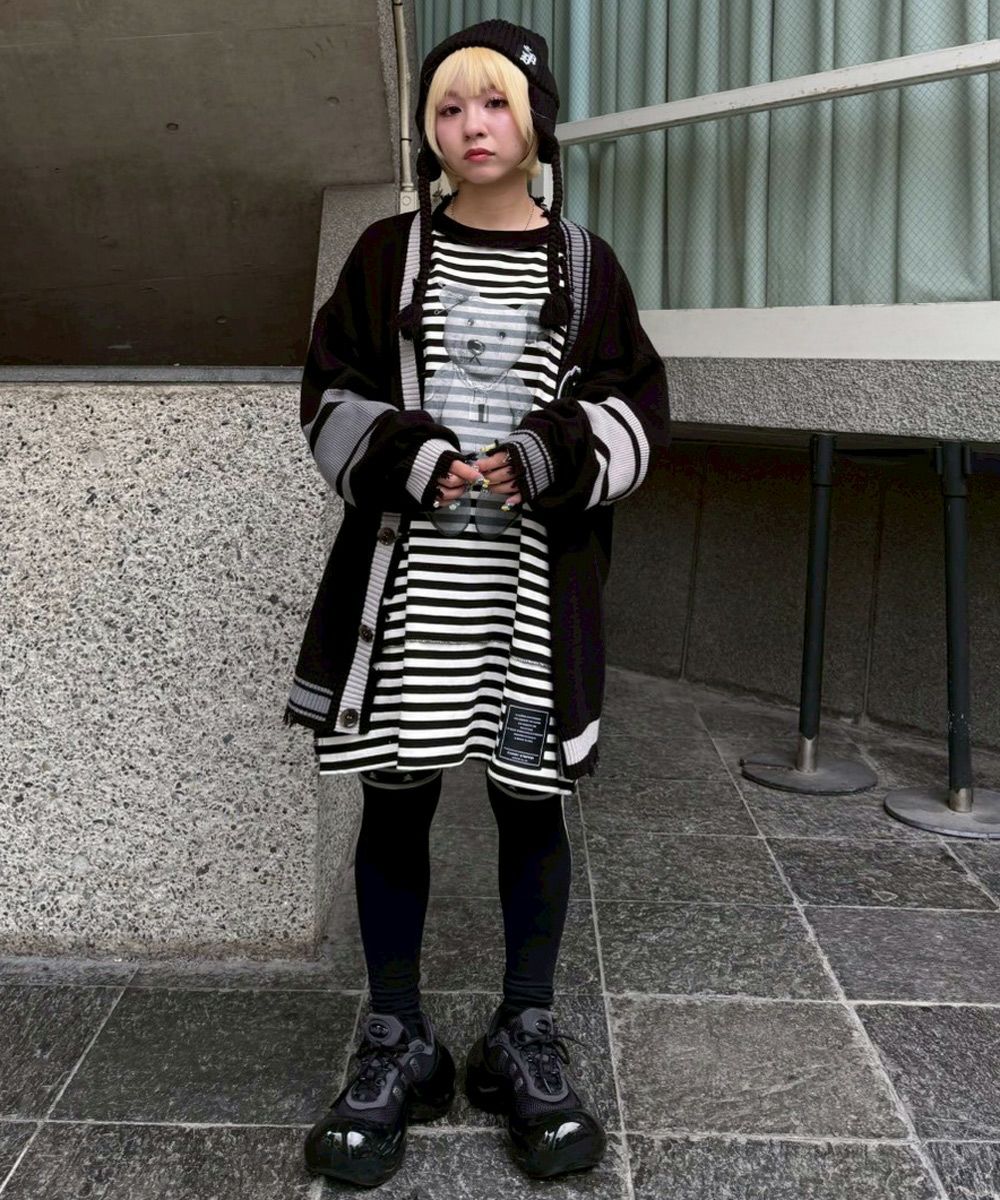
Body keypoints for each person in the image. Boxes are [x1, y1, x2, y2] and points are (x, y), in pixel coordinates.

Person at [286, 18, 669, 1189]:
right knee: (395, 804)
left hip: (529, 597)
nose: (472, 126)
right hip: (408, 593)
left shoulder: (587, 267)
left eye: (495, 102)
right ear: (429, 131)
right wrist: (410, 455)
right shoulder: (386, 256)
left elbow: (638, 407)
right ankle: (396, 1038)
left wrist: (551, 453)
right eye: (449, 107)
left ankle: (524, 1034)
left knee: (528, 808)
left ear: (536, 120)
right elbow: (329, 391)